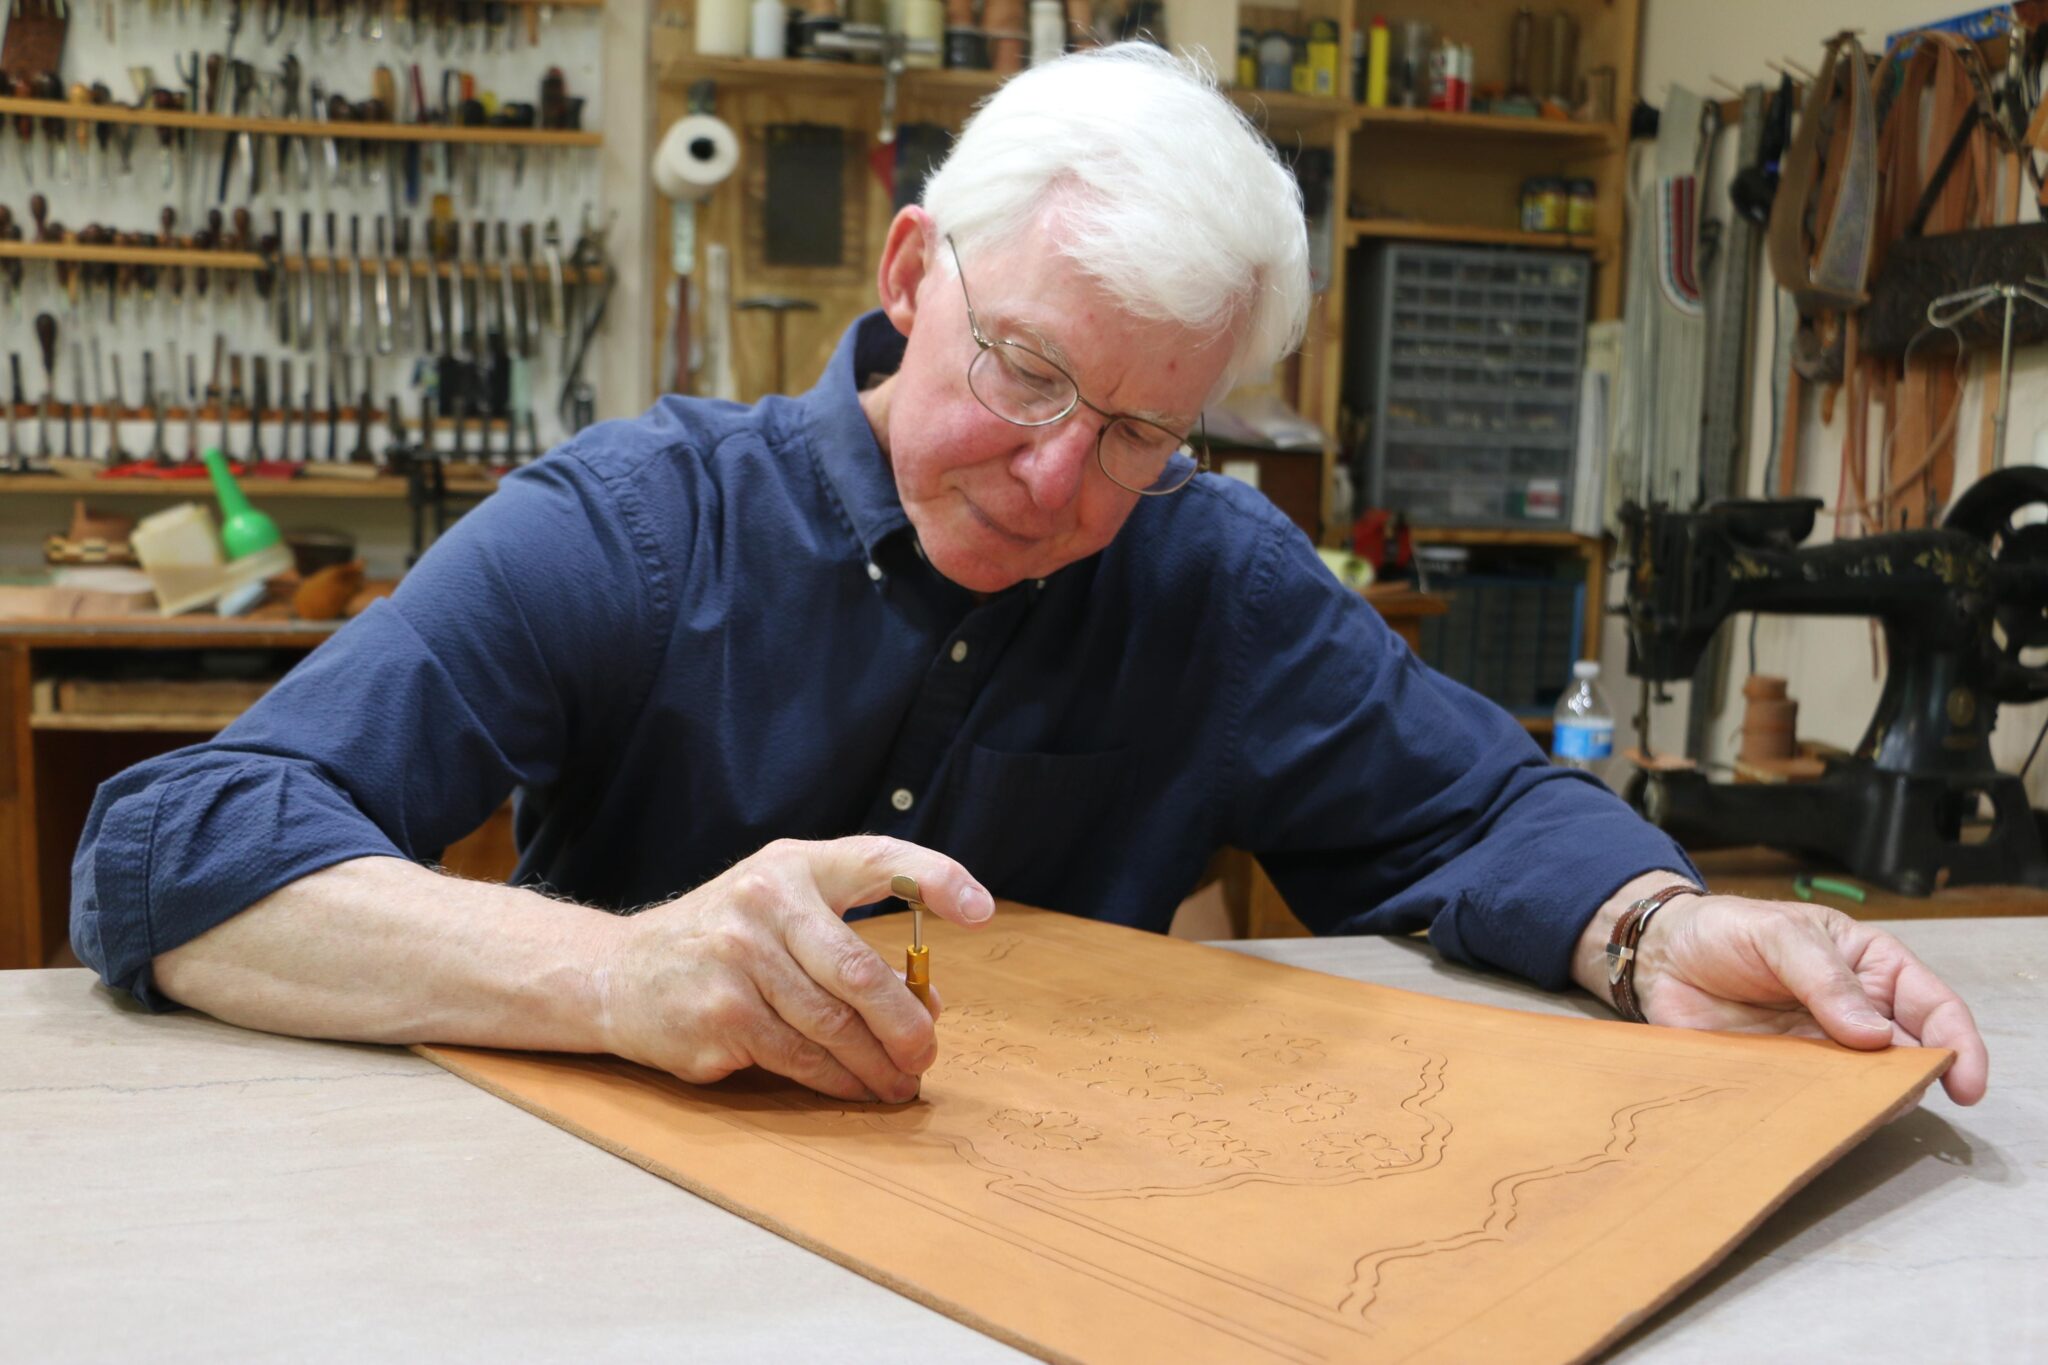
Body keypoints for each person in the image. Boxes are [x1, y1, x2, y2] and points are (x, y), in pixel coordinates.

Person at [71, 45, 1986, 1111]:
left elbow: (1475, 806)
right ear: (911, 276)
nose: (1069, 477)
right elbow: (176, 848)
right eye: (1030, 372)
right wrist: (620, 970)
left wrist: (1658, 926)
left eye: (1150, 430)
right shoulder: (642, 526)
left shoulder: (1214, 581)